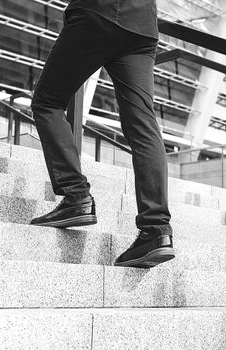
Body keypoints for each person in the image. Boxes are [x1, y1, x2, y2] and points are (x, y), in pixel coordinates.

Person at [29, 0, 175, 268]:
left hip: (98, 13)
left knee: (47, 103)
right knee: (143, 127)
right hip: (142, 25)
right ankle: (156, 231)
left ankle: (76, 196)